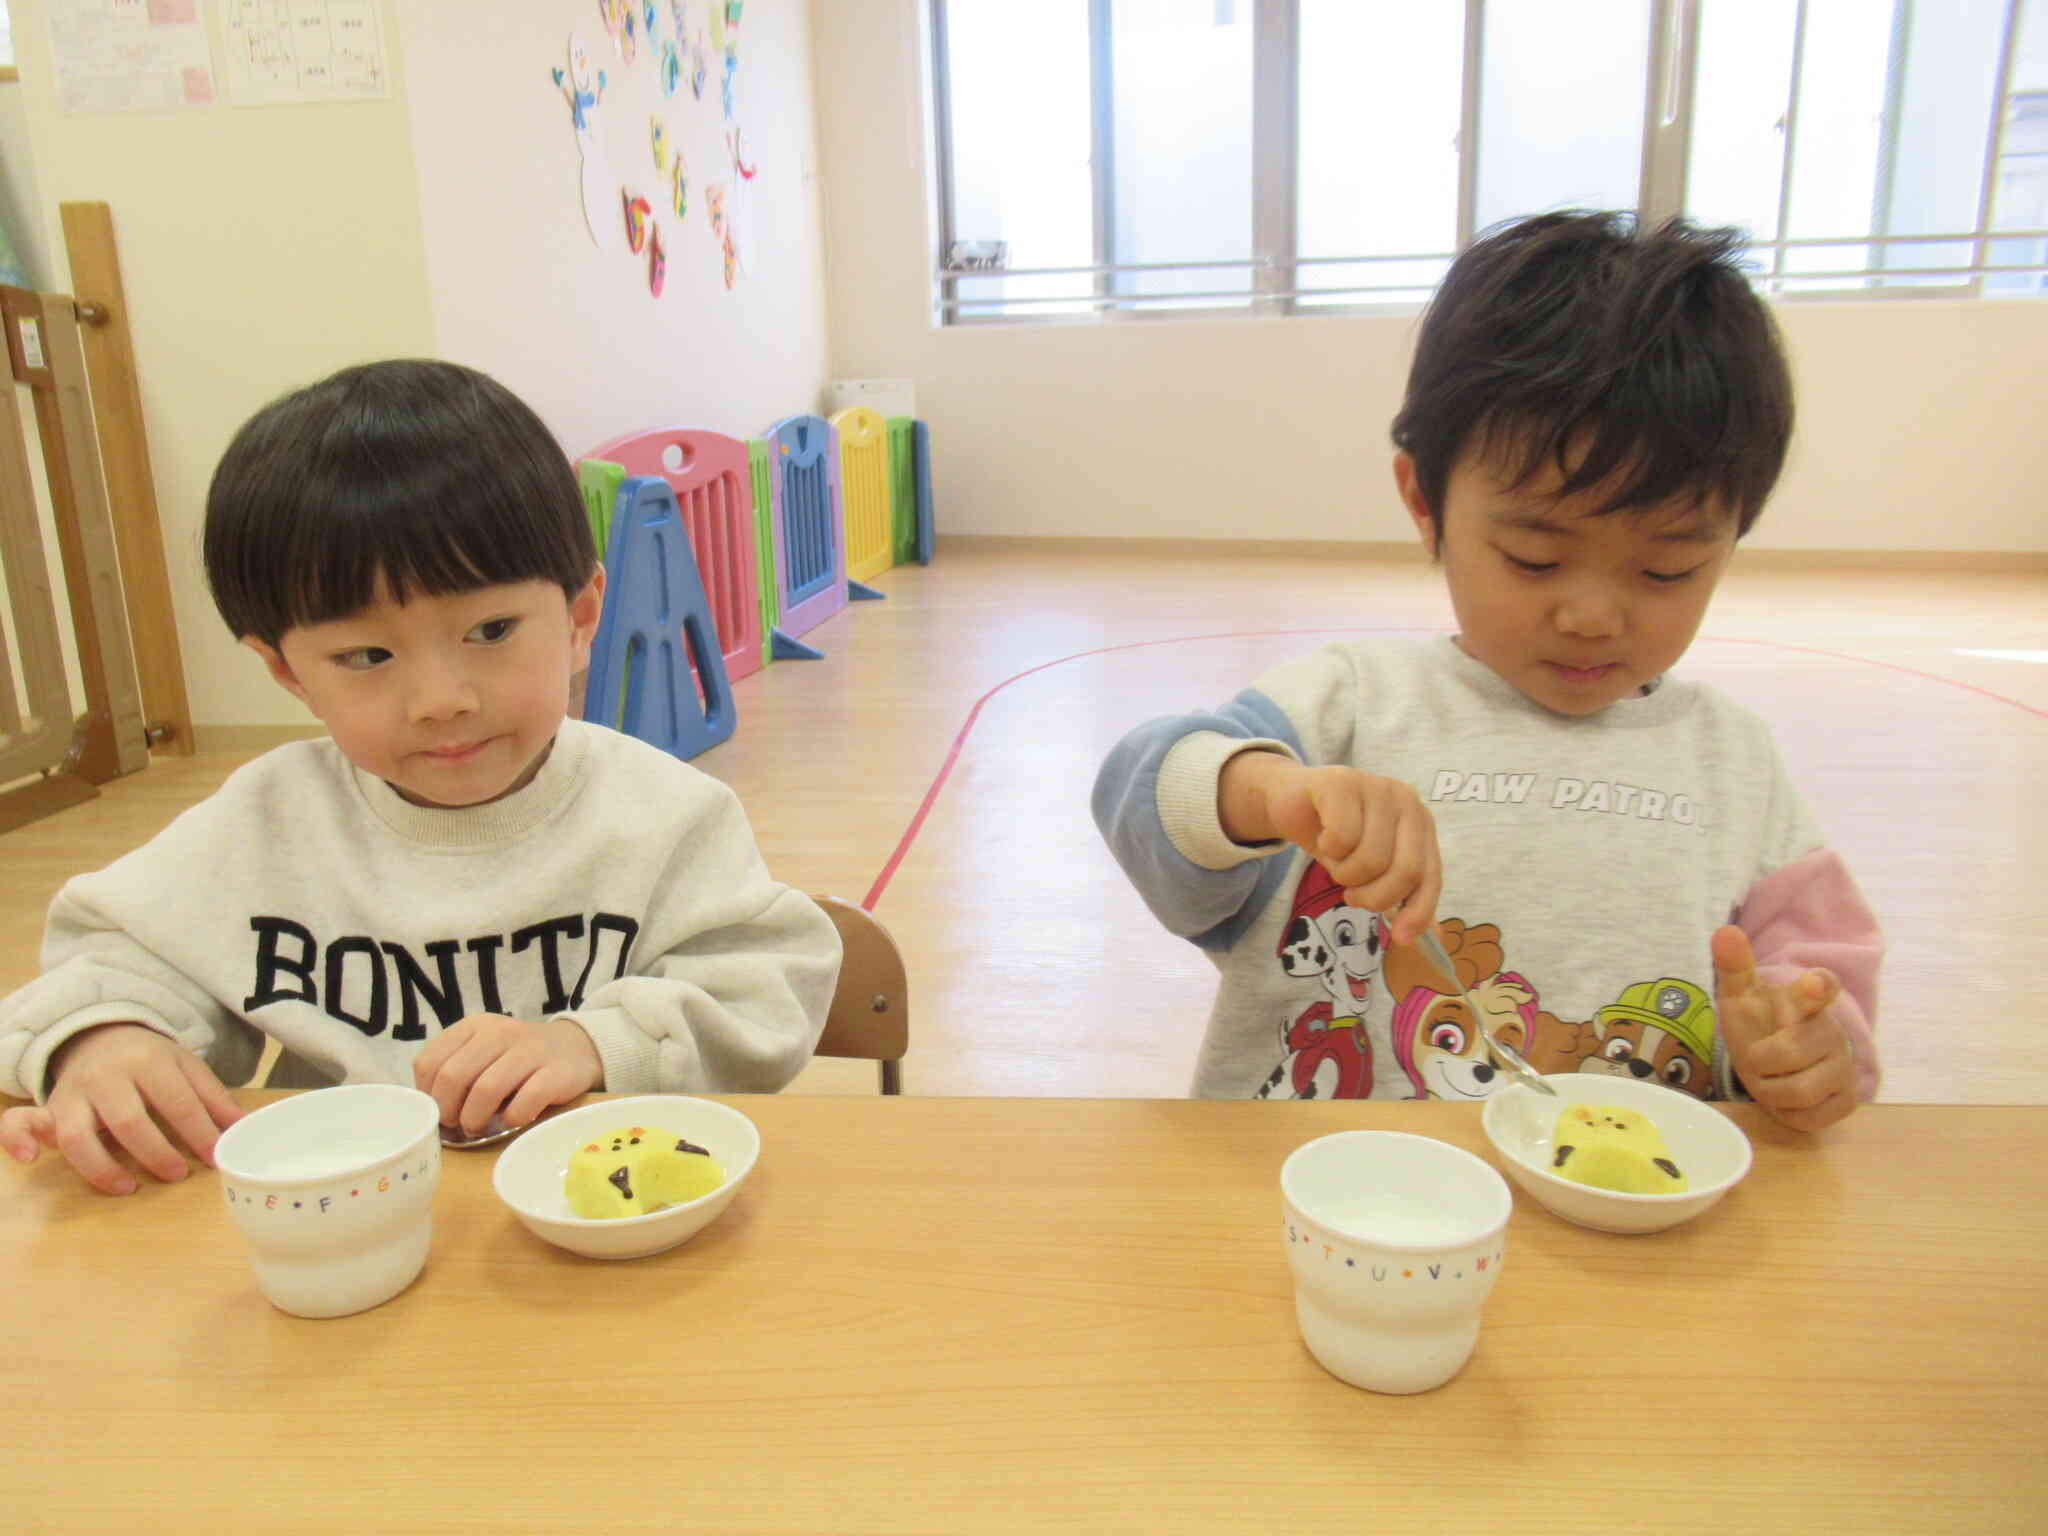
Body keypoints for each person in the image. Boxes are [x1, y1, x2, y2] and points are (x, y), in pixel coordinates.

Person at [1092, 211, 1880, 1131]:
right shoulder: (1351, 704)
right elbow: (1143, 790)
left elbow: (1820, 986)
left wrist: (1807, 1049)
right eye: (1535, 559)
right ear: (1425, 503)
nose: (1592, 615)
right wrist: (1272, 794)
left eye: (1667, 569)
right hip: (1323, 1200)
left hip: (1617, 1221)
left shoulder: (1734, 759)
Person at [0, 359, 841, 1194]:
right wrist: (102, 1039)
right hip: (336, 1215)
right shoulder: (268, 821)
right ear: (289, 673)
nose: (441, 701)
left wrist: (596, 1044)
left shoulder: (662, 813)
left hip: (598, 1206)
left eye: (491, 629)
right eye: (365, 655)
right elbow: (120, 957)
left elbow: (766, 986)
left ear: (581, 618)